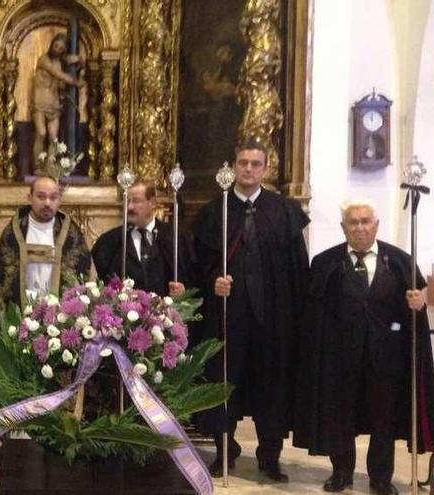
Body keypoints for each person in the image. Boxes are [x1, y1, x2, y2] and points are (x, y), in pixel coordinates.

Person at [293, 201, 434, 495]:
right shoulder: (324, 263)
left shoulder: (399, 262)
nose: (359, 227)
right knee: (340, 416)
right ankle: (342, 473)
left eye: (365, 221)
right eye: (353, 222)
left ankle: (381, 478)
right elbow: (311, 316)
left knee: (383, 419)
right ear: (344, 228)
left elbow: (416, 304)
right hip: (339, 358)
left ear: (376, 225)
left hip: (385, 359)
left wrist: (418, 304)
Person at [192, 140, 309, 482]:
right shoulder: (215, 211)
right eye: (243, 162)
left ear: (265, 168)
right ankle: (225, 449)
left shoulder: (283, 210)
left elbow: (297, 268)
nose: (248, 169)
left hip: (273, 319)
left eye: (255, 163)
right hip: (228, 318)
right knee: (223, 381)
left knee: (272, 386)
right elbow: (197, 265)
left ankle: (269, 455)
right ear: (232, 167)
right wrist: (214, 282)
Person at [0, 175, 90, 315]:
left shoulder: (70, 234)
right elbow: (2, 276)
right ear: (29, 198)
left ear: (60, 200)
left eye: (53, 197)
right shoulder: (14, 232)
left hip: (59, 318)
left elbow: (81, 273)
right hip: (22, 312)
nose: (47, 203)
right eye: (41, 197)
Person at [91, 180, 192, 296]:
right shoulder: (109, 242)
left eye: (136, 201)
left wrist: (184, 290)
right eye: (126, 201)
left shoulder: (176, 238)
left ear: (152, 202)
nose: (129, 207)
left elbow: (193, 278)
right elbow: (98, 284)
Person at [32, 33, 86, 167]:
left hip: (54, 103)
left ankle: (50, 168)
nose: (57, 50)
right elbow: (58, 74)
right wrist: (75, 82)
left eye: (61, 48)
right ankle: (37, 166)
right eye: (56, 46)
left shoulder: (60, 62)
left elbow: (71, 64)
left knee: (53, 138)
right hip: (40, 101)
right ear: (52, 45)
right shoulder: (44, 59)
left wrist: (79, 61)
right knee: (41, 133)